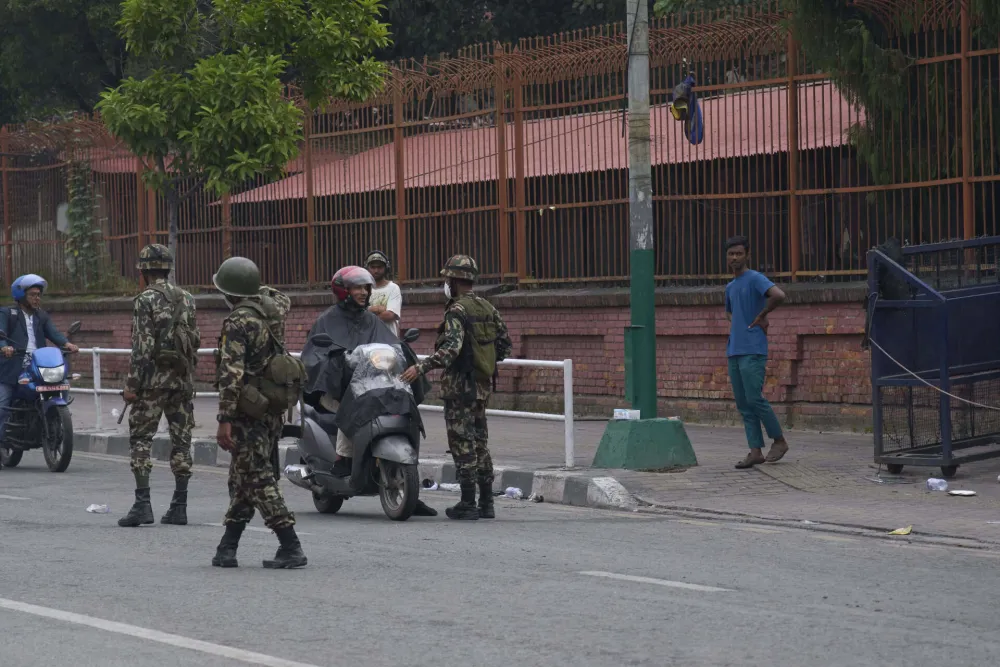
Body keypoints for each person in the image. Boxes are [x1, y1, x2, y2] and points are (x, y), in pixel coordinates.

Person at [301, 266, 438, 517]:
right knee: (352, 403)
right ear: (343, 291)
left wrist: (405, 355)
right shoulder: (327, 320)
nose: (364, 292)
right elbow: (316, 354)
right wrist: (339, 361)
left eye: (366, 288)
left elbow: (391, 343)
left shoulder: (371, 319)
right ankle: (343, 459)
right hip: (338, 389)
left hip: (372, 383)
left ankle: (410, 486)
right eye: (357, 288)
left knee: (402, 401)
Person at [211, 256, 307, 569]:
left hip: (246, 410)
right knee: (243, 479)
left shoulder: (238, 322)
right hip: (270, 406)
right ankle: (227, 548)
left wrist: (224, 418)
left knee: (258, 477)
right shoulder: (273, 310)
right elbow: (281, 296)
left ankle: (290, 545)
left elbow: (231, 373)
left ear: (230, 293)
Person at [401, 255, 512, 520]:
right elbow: (504, 346)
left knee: (462, 443)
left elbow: (450, 350)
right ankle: (486, 502)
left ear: (453, 280)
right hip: (482, 386)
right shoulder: (487, 307)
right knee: (480, 443)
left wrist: (420, 367)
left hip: (460, 387)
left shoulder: (457, 311)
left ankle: (467, 502)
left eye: (446, 279)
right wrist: (482, 362)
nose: (445, 284)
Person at [118, 245, 200, 527]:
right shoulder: (187, 298)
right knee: (182, 441)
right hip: (182, 380)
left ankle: (143, 505)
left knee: (141, 439)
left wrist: (132, 385)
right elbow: (194, 340)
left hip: (152, 383)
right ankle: (180, 506)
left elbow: (142, 347)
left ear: (144, 270)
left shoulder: (145, 299)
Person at [723, 235, 790, 469]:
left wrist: (762, 316)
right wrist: (741, 323)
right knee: (743, 403)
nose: (734, 257)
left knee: (754, 398)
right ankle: (755, 451)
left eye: (739, 253)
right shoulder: (730, 286)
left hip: (753, 349)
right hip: (734, 350)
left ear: (747, 255)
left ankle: (779, 440)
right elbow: (730, 313)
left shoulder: (754, 279)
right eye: (731, 254)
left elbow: (778, 295)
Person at [0, 274, 79, 470]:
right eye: (33, 295)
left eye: (39, 295)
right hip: (13, 369)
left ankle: (53, 421)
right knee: (2, 404)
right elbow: (0, 333)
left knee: (60, 383)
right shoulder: (7, 314)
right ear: (21, 295)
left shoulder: (41, 316)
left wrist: (67, 344)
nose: (37, 298)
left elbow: (53, 333)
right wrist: (4, 347)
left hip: (37, 365)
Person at [365, 250, 402, 337]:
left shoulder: (393, 288)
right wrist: (378, 309)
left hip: (389, 341)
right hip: (366, 340)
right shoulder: (363, 289)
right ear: (367, 268)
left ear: (386, 268)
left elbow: (390, 315)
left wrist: (367, 313)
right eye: (373, 267)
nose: (376, 270)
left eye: (379, 267)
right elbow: (356, 313)